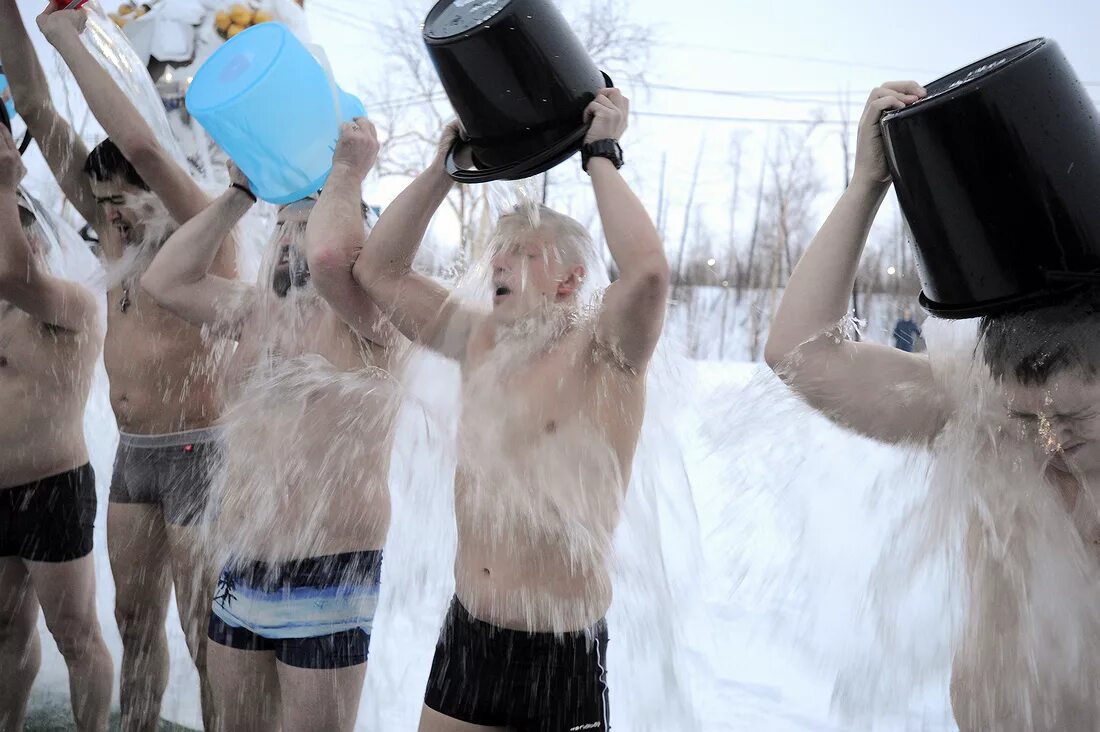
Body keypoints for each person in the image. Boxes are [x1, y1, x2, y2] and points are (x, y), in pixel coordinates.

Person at [307, 90, 669, 731]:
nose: (499, 262)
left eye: (524, 253)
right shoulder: (479, 342)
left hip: (562, 647)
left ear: (570, 280)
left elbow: (646, 277)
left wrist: (601, 157)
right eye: (497, 252)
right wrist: (446, 169)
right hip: (470, 633)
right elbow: (379, 271)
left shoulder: (608, 356)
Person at [764, 81, 1100, 730]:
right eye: (1027, 418)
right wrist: (867, 185)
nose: (1048, 440)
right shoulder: (977, 417)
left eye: (1073, 419)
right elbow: (801, 355)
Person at [0, 4, 236, 728]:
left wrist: (66, 39)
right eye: (102, 208)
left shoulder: (200, 231)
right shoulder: (114, 237)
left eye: (125, 204)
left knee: (203, 635)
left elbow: (147, 144)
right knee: (135, 624)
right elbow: (36, 108)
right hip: (135, 457)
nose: (114, 220)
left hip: (199, 452)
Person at [141, 150, 400, 732]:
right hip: (243, 561)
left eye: (305, 226)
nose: (289, 239)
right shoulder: (253, 313)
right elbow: (164, 280)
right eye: (282, 227)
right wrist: (238, 197)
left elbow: (334, 256)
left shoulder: (372, 325)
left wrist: (345, 174)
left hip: (329, 570)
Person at [0, 125, 111, 732]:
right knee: (5, 629)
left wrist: (4, 183)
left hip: (52, 488)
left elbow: (14, 274)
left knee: (75, 635)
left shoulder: (70, 306)